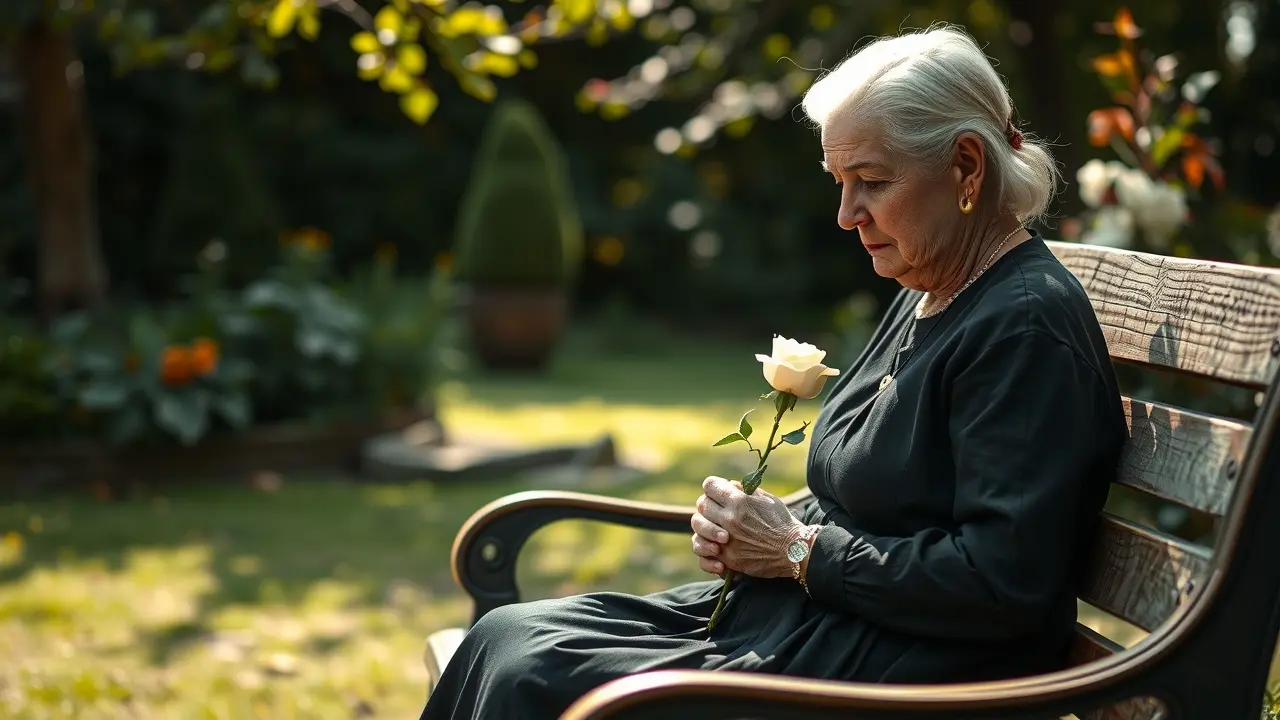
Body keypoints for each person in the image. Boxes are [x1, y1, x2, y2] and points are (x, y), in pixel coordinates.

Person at [421, 24, 1127, 720]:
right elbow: (889, 502)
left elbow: (1001, 583)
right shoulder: (932, 285)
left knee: (533, 678)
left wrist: (794, 548)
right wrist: (757, 525)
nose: (847, 214)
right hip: (819, 628)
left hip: (902, 675)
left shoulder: (1024, 328)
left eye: (872, 182)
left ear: (967, 167)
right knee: (506, 640)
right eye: (840, 182)